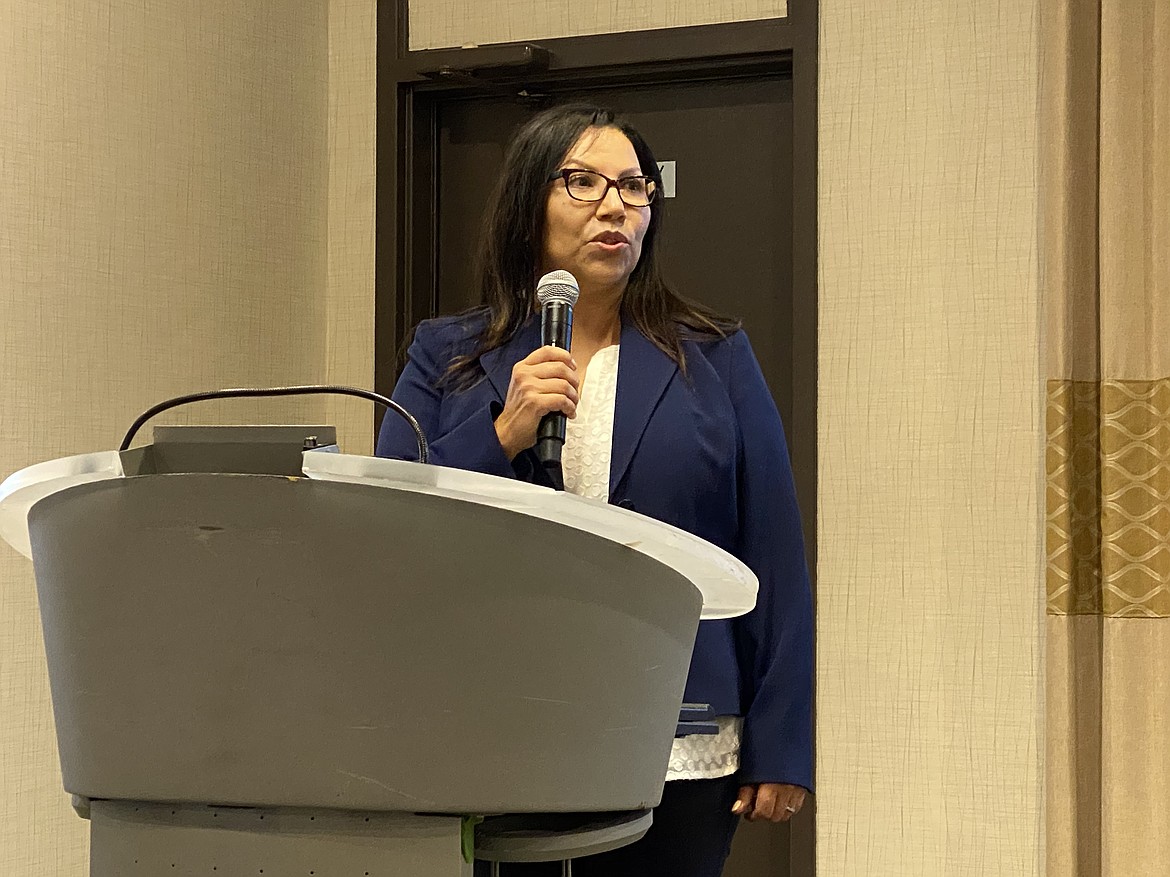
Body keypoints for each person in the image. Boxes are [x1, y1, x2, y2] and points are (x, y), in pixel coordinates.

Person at [376, 103, 813, 877]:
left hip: (677, 734)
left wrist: (783, 741)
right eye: (583, 182)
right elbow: (392, 525)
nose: (615, 205)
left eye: (634, 187)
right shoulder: (447, 355)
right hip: (495, 728)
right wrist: (502, 432)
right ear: (526, 205)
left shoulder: (714, 357)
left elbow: (771, 553)